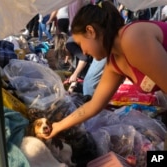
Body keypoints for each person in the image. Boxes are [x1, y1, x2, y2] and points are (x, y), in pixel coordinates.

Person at [42, 0, 167, 139]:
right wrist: (57, 127)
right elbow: (93, 105)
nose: (83, 51)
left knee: (156, 161)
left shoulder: (132, 38)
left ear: (90, 31)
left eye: (80, 43)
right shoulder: (114, 63)